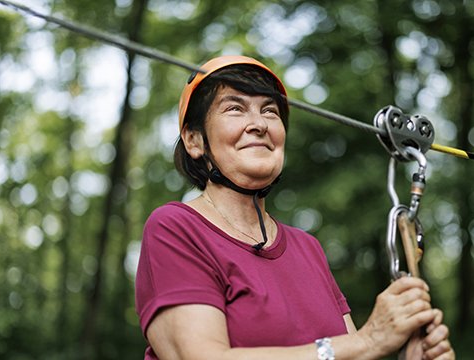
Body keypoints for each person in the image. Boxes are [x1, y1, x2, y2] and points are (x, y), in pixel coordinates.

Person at [135, 55, 455, 360]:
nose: (259, 124)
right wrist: (367, 340)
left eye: (270, 111)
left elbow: (354, 352)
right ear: (194, 140)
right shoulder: (176, 228)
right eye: (235, 109)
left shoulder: (307, 248)